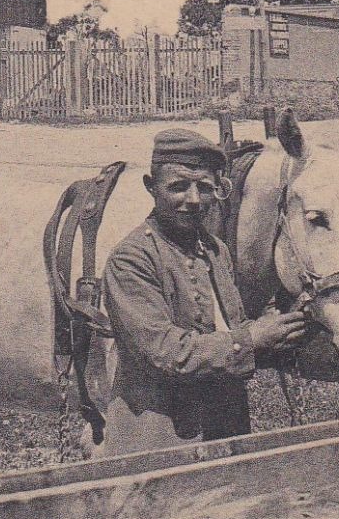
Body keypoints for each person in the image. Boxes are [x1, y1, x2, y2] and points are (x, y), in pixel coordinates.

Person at [100, 127, 308, 455]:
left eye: (205, 188)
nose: (194, 200)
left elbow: (227, 338)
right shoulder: (131, 259)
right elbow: (167, 354)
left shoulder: (215, 252)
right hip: (157, 443)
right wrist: (252, 338)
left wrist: (284, 333)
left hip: (224, 434)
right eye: (179, 187)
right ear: (151, 187)